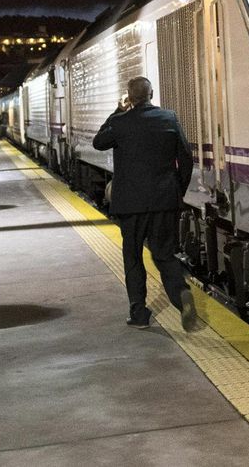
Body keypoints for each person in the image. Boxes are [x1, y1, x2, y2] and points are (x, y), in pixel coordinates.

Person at [92, 76, 200, 331]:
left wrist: (117, 111)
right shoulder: (169, 118)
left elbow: (98, 142)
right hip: (164, 200)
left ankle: (138, 313)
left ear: (129, 97)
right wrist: (177, 191)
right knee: (163, 254)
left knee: (133, 257)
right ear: (151, 94)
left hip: (130, 204)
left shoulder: (120, 122)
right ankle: (181, 294)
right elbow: (186, 159)